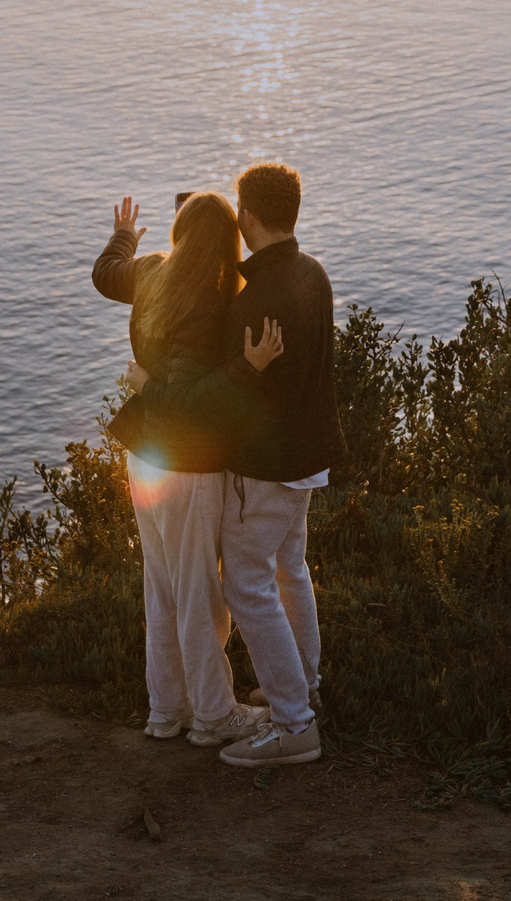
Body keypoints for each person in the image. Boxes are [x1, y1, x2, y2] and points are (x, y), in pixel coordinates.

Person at [126, 161, 346, 769]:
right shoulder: (312, 274)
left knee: (244, 584)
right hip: (308, 461)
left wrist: (149, 384)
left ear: (248, 216)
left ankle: (293, 721)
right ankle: (303, 685)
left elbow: (217, 400)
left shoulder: (253, 303)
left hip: (267, 468)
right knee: (289, 569)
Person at [92, 191, 269, 751]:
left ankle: (167, 710)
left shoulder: (151, 272)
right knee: (196, 591)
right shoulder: (210, 301)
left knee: (163, 585)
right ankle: (214, 715)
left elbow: (105, 275)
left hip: (145, 458)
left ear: (178, 231)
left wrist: (124, 235)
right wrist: (245, 369)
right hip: (186, 465)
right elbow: (190, 402)